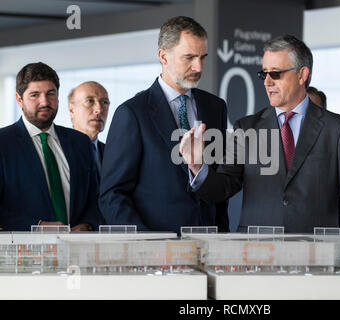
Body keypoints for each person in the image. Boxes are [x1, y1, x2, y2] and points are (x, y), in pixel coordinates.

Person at [181, 35, 340, 233]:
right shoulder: (247, 128)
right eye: (263, 74)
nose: (267, 82)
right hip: (257, 252)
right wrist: (198, 168)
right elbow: (223, 187)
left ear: (302, 75)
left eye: (275, 74)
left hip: (315, 252)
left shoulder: (337, 129)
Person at [99, 16, 229, 233]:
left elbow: (220, 186)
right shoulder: (132, 113)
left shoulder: (215, 107)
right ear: (163, 56)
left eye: (202, 57)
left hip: (209, 246)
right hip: (156, 252)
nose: (198, 66)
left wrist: (223, 240)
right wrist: (148, 244)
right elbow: (112, 195)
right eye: (189, 57)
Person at [0, 62, 101, 231]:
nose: (44, 102)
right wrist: (38, 226)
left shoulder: (80, 142)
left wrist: (87, 224)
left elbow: (96, 196)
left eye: (50, 93)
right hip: (23, 250)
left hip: (78, 247)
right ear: (19, 99)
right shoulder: (3, 143)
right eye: (34, 95)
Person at [68, 81, 110, 172]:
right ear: (72, 110)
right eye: (90, 101)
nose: (98, 109)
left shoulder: (112, 153)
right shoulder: (60, 150)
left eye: (104, 102)